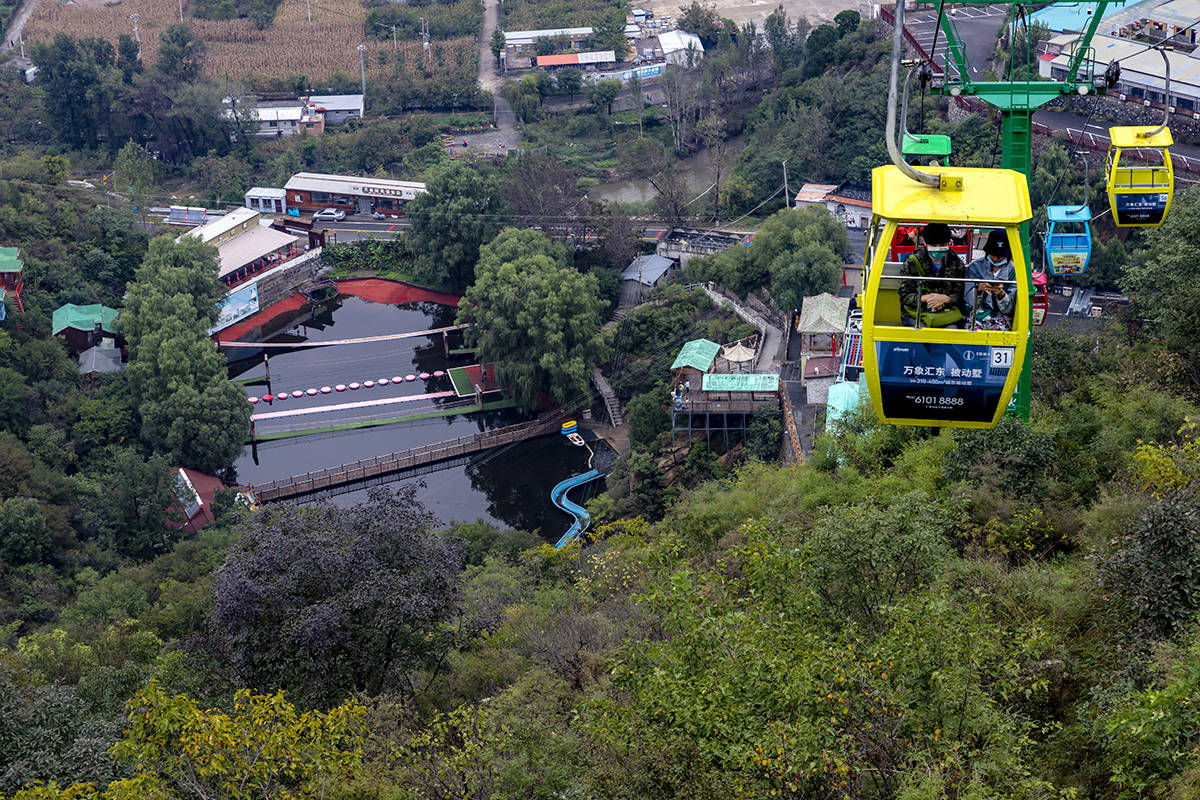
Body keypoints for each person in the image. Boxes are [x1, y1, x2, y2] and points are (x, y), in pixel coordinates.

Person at [898, 222, 966, 328]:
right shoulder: (913, 262)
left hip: (947, 313)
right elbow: (904, 295)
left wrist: (946, 299)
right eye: (934, 246)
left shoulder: (956, 263)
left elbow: (960, 293)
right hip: (917, 313)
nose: (938, 249)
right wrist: (925, 298)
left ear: (949, 242)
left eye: (942, 245)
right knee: (920, 330)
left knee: (951, 330)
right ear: (924, 242)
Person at [964, 229, 1017, 330]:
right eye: (992, 256)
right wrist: (978, 289)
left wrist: (1001, 294)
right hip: (977, 315)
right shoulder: (975, 267)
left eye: (1000, 258)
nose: (996, 260)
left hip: (1001, 317)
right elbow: (968, 301)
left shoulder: (1014, 272)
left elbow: (1010, 309)